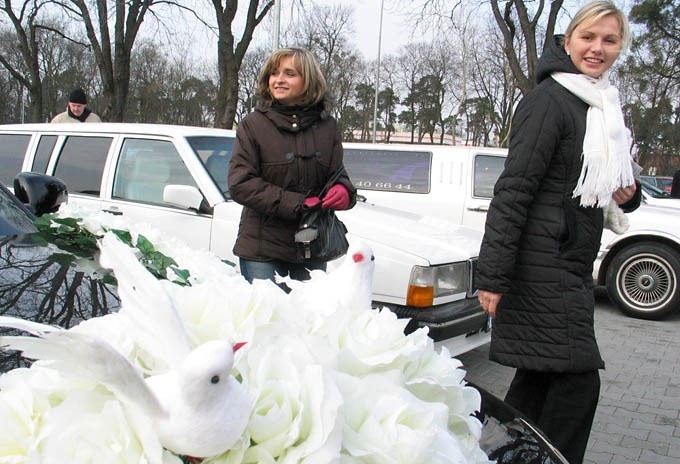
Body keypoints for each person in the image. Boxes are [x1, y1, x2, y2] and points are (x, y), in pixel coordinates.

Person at [475, 2, 641, 463]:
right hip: (539, 265)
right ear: (568, 42)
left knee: (538, 380)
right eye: (588, 37)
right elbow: (514, 189)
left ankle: (497, 455)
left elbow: (598, 181)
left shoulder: (601, 103)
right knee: (577, 381)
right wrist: (492, 274)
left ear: (620, 46)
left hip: (568, 260)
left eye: (610, 40)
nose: (597, 48)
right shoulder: (550, 100)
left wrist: (628, 194)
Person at [227, 47, 356, 287]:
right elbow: (240, 183)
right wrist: (296, 203)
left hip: (312, 247)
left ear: (308, 80)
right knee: (267, 320)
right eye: (274, 73)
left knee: (307, 321)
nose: (279, 80)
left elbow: (336, 174)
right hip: (262, 251)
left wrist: (343, 190)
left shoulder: (327, 127)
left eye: (289, 73)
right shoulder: (253, 125)